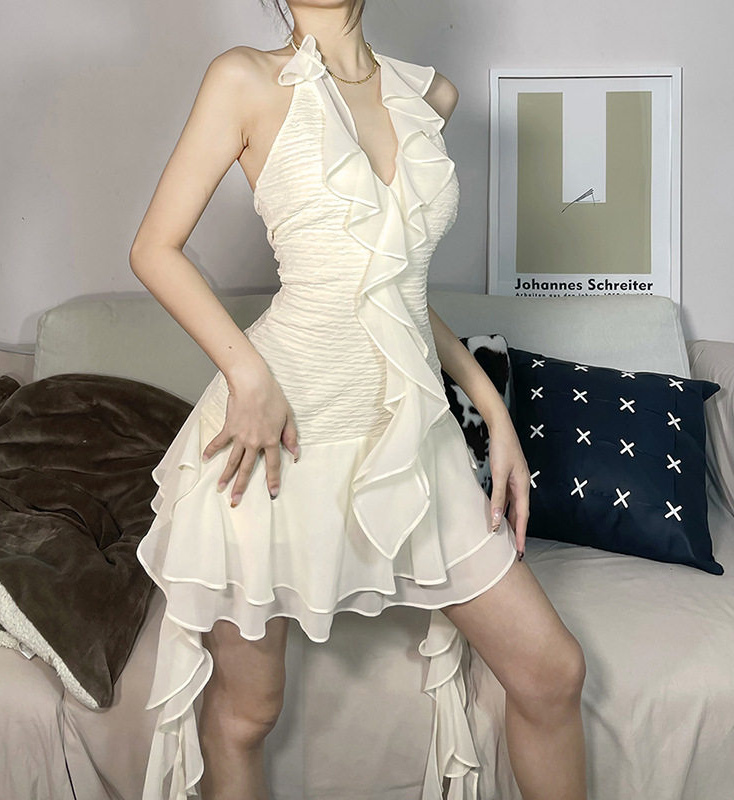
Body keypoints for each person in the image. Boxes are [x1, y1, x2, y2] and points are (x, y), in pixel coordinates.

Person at [128, 1, 588, 798]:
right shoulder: (244, 79)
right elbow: (153, 249)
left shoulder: (429, 95)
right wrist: (248, 377)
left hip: (407, 436)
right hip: (275, 437)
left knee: (552, 672)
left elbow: (392, 290)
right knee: (247, 713)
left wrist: (491, 406)